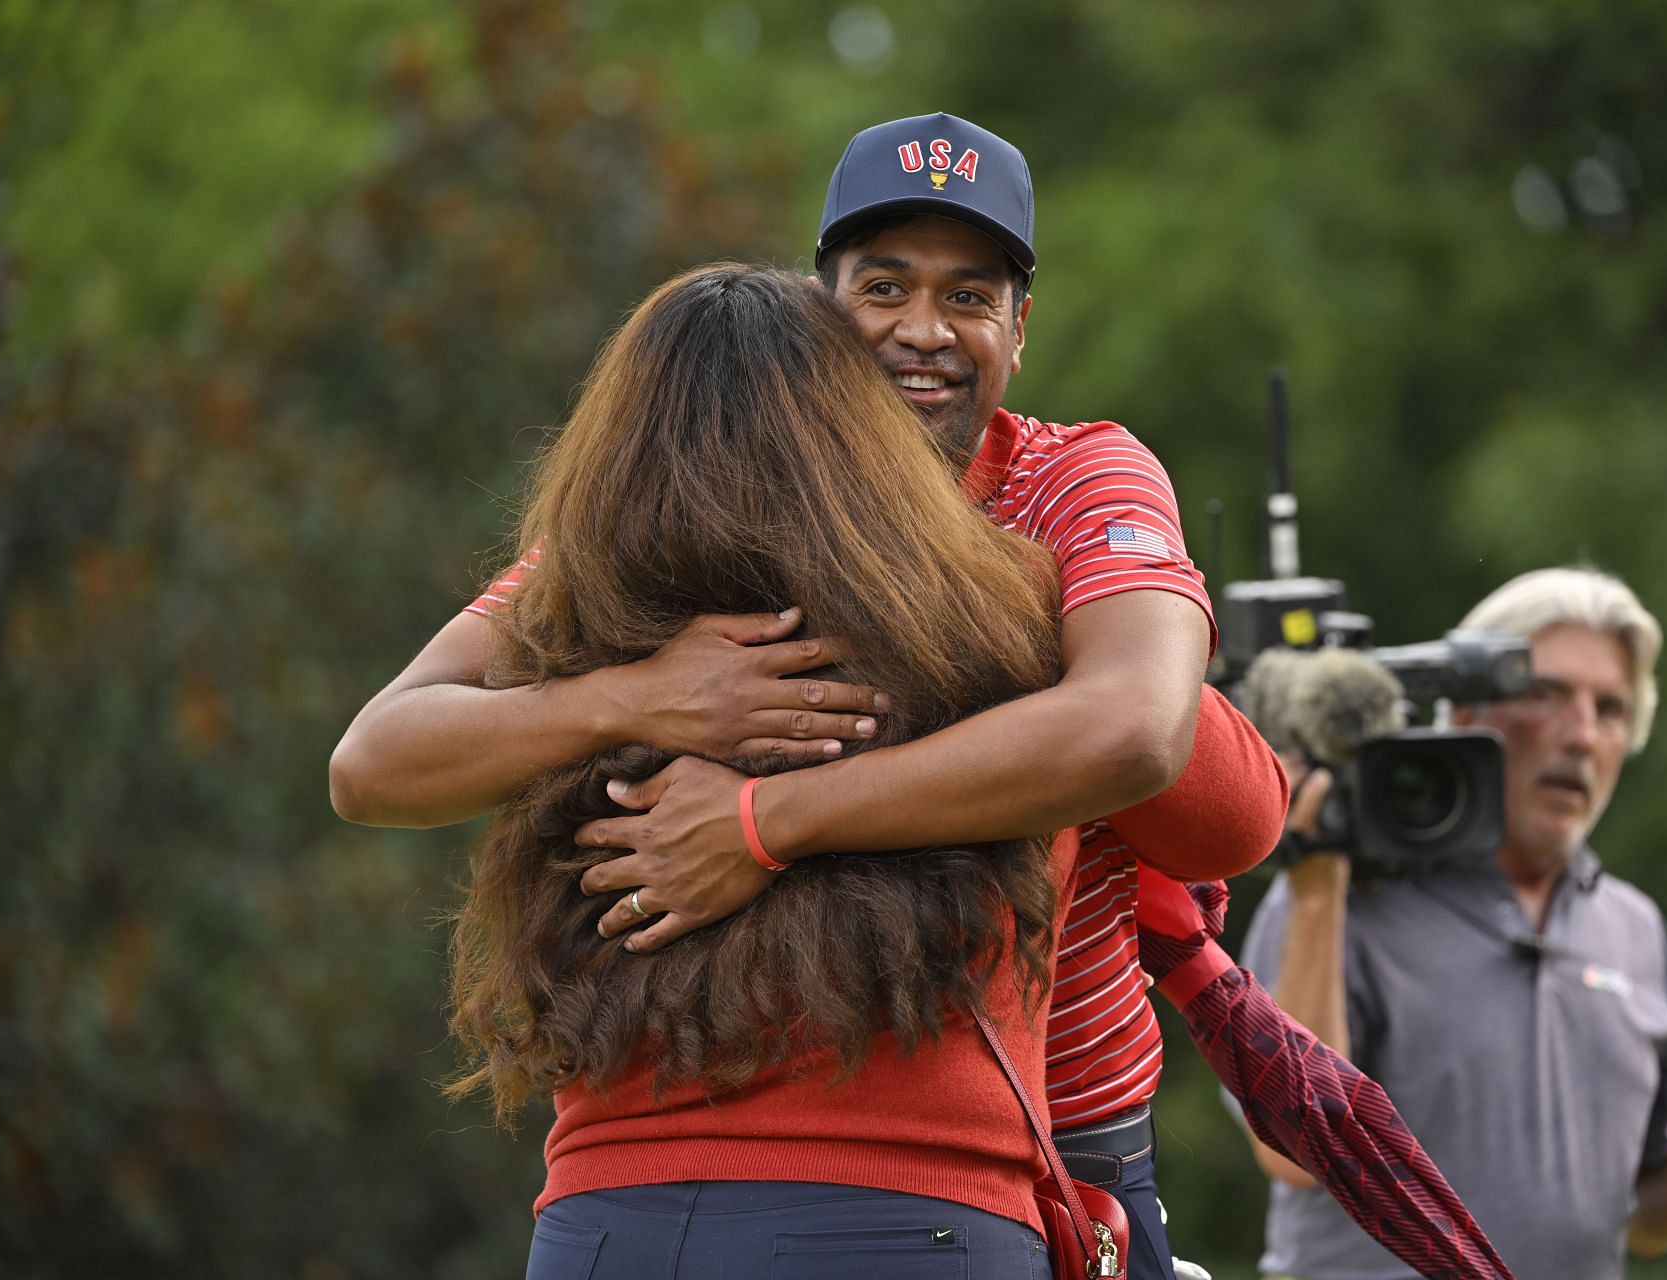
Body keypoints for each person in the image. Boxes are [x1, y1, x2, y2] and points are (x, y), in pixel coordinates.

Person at [331, 112, 1288, 1280]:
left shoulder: (1063, 487)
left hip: (1068, 1128)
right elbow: (373, 758)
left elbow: (1172, 760)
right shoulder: (678, 511)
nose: (924, 331)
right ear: (814, 309)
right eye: (883, 287)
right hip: (885, 1169)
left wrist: (760, 822)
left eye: (969, 298)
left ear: (1019, 328)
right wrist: (646, 695)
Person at [449, 261, 1075, 1278]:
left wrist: (726, 784)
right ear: (853, 421)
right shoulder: (991, 609)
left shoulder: (568, 612)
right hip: (906, 1209)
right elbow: (1221, 799)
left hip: (609, 1220)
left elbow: (373, 759)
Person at [1239, 566, 1667, 1280]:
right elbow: (1290, 1155)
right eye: (1545, 693)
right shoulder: (1337, 896)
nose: (1580, 735)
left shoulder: (1632, 929)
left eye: (1610, 709)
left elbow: (1637, 1214)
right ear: (1464, 713)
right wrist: (1316, 893)